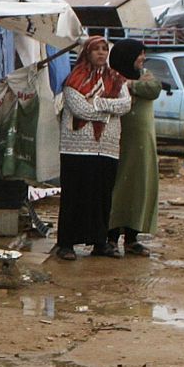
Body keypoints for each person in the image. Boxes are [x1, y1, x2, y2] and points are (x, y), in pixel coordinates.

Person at [54, 36, 131, 261]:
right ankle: (66, 243)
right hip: (77, 147)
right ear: (87, 53)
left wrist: (97, 103)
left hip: (106, 148)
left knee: (101, 196)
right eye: (96, 49)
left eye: (104, 49)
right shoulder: (74, 79)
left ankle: (99, 242)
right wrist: (109, 108)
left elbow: (125, 104)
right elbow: (79, 109)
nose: (101, 53)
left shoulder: (117, 79)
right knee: (75, 196)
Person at [107, 38, 160, 255]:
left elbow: (154, 88)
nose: (143, 58)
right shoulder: (110, 77)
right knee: (117, 187)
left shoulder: (144, 75)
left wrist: (130, 84)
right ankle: (110, 237)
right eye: (139, 54)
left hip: (143, 145)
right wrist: (126, 85)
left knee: (139, 187)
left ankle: (132, 238)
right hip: (118, 141)